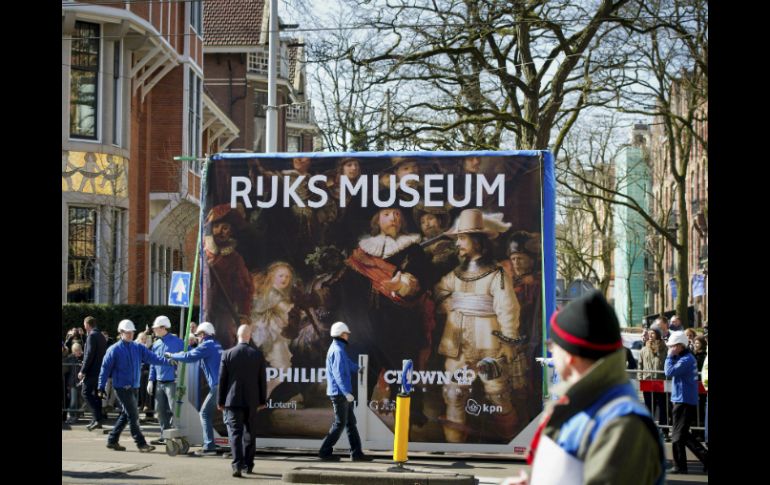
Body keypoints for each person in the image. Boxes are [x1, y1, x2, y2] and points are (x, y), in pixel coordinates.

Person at [523, 291, 665, 485]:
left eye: (552, 345)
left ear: (569, 356)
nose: (551, 351)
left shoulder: (622, 425)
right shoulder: (585, 404)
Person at [434, 208, 525, 443]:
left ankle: (510, 443)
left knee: (498, 395)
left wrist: (508, 342)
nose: (459, 243)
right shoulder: (454, 274)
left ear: (478, 240)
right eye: (458, 238)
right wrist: (450, 304)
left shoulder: (497, 274)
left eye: (463, 238)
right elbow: (439, 293)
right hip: (457, 346)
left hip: (490, 345)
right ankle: (455, 448)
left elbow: (508, 309)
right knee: (453, 394)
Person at [98, 319, 171, 452]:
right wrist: (101, 386)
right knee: (133, 415)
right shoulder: (113, 350)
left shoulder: (138, 347)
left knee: (127, 414)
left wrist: (169, 362)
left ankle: (112, 440)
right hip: (121, 388)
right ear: (121, 333)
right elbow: (105, 369)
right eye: (127, 332)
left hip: (134, 387)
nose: (130, 334)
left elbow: (153, 358)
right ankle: (141, 443)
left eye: (132, 332)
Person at [318, 321, 374, 462]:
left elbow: (347, 364)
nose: (348, 336)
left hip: (340, 393)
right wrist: (346, 393)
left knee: (350, 423)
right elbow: (338, 374)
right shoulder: (337, 350)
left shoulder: (338, 349)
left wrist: (358, 368)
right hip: (340, 394)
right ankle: (324, 451)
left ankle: (357, 453)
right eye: (347, 334)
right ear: (341, 334)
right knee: (340, 424)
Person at [166, 321, 223, 456]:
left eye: (198, 335)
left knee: (204, 413)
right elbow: (194, 354)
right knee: (226, 417)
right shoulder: (216, 345)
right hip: (223, 385)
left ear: (203, 334)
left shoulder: (207, 345)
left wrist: (171, 355)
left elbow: (189, 357)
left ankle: (209, 447)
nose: (197, 338)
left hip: (217, 386)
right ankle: (234, 446)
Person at [218, 324, 267, 477]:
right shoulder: (257, 355)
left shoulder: (227, 354)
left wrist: (220, 401)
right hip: (252, 401)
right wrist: (262, 400)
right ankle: (249, 465)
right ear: (249, 336)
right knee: (249, 433)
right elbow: (262, 380)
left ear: (237, 336)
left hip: (232, 401)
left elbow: (222, 380)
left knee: (235, 434)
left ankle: (237, 465)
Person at [203, 205, 254, 349]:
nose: (220, 231)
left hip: (223, 309)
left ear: (231, 231)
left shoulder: (234, 259)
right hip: (205, 307)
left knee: (225, 336)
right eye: (216, 226)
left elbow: (245, 288)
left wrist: (244, 314)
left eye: (225, 227)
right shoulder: (202, 253)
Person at [665, 331, 709, 474]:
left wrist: (668, 356)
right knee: (684, 435)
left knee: (677, 436)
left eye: (672, 346)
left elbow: (669, 371)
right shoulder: (685, 357)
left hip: (684, 401)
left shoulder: (686, 359)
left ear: (680, 346)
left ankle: (680, 466)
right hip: (682, 399)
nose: (670, 348)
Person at [148, 315, 185, 445]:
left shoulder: (178, 342)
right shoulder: (156, 344)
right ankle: (165, 435)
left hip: (172, 381)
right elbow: (153, 363)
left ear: (163, 328)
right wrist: (150, 380)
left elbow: (189, 355)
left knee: (175, 409)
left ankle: (177, 435)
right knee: (160, 410)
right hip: (159, 382)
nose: (154, 330)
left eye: (156, 328)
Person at [78, 316, 108, 431]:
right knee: (97, 396)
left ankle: (97, 418)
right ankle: (97, 420)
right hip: (100, 371)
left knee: (85, 393)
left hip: (92, 371)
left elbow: (89, 355)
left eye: (84, 324)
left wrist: (82, 371)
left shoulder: (91, 336)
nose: (84, 326)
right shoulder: (100, 335)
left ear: (87, 324)